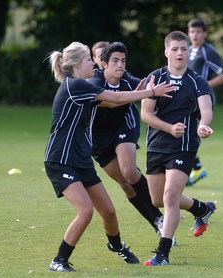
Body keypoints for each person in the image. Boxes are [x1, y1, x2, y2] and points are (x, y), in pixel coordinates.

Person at [44, 41, 174, 272]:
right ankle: (59, 260)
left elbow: (113, 102)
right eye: (87, 60)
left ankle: (116, 246)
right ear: (75, 65)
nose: (92, 63)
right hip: (60, 159)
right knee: (85, 211)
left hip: (80, 160)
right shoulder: (74, 85)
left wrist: (139, 91)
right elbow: (114, 99)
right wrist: (151, 92)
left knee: (109, 211)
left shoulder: (82, 86)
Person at [140, 31, 217, 266]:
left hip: (183, 147)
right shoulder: (155, 78)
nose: (180, 53)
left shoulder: (196, 81)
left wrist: (203, 125)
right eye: (174, 49)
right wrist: (168, 127)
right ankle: (202, 208)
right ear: (166, 52)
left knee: (170, 196)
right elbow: (145, 114)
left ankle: (162, 253)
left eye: (183, 49)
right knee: (157, 200)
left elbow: (206, 109)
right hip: (156, 145)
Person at [87, 42, 167, 237]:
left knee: (129, 172)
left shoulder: (128, 80)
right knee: (125, 184)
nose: (120, 65)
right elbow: (110, 101)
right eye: (115, 61)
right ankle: (156, 220)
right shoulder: (93, 82)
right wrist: (138, 94)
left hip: (124, 127)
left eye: (123, 61)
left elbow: (148, 89)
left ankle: (162, 216)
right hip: (99, 138)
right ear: (103, 63)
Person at [186, 18, 223, 186]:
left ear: (205, 34)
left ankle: (193, 168)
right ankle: (195, 168)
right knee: (186, 130)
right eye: (192, 31)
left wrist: (205, 85)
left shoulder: (207, 51)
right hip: (187, 98)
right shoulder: (187, 50)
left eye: (198, 32)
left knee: (186, 130)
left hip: (202, 98)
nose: (195, 35)